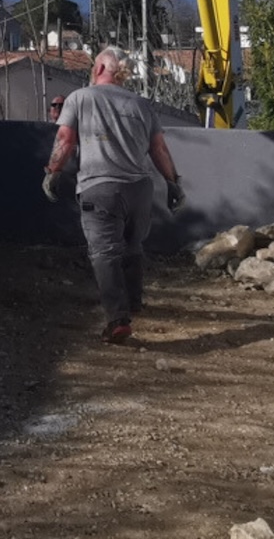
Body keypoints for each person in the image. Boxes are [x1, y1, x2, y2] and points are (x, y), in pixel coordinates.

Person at [42, 47, 182, 342]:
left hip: (100, 187)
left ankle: (118, 318)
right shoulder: (141, 104)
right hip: (140, 190)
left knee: (104, 253)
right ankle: (133, 302)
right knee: (132, 246)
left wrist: (53, 172)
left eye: (95, 65)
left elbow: (65, 139)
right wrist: (172, 182)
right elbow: (158, 149)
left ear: (102, 68)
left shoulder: (81, 98)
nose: (92, 70)